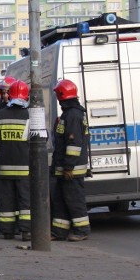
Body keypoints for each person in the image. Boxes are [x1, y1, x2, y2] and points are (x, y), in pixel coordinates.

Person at [50, 79, 91, 242]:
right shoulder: (69, 114)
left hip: (72, 169)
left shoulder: (73, 115)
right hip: (64, 168)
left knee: (74, 200)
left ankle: (82, 230)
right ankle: (59, 232)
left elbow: (73, 144)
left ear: (61, 95)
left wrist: (68, 167)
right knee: (61, 200)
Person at [0, 80, 31, 241]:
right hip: (24, 168)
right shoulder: (30, 116)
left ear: (10, 94)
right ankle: (26, 231)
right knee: (25, 202)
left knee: (6, 201)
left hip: (4, 167)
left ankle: (7, 231)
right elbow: (40, 141)